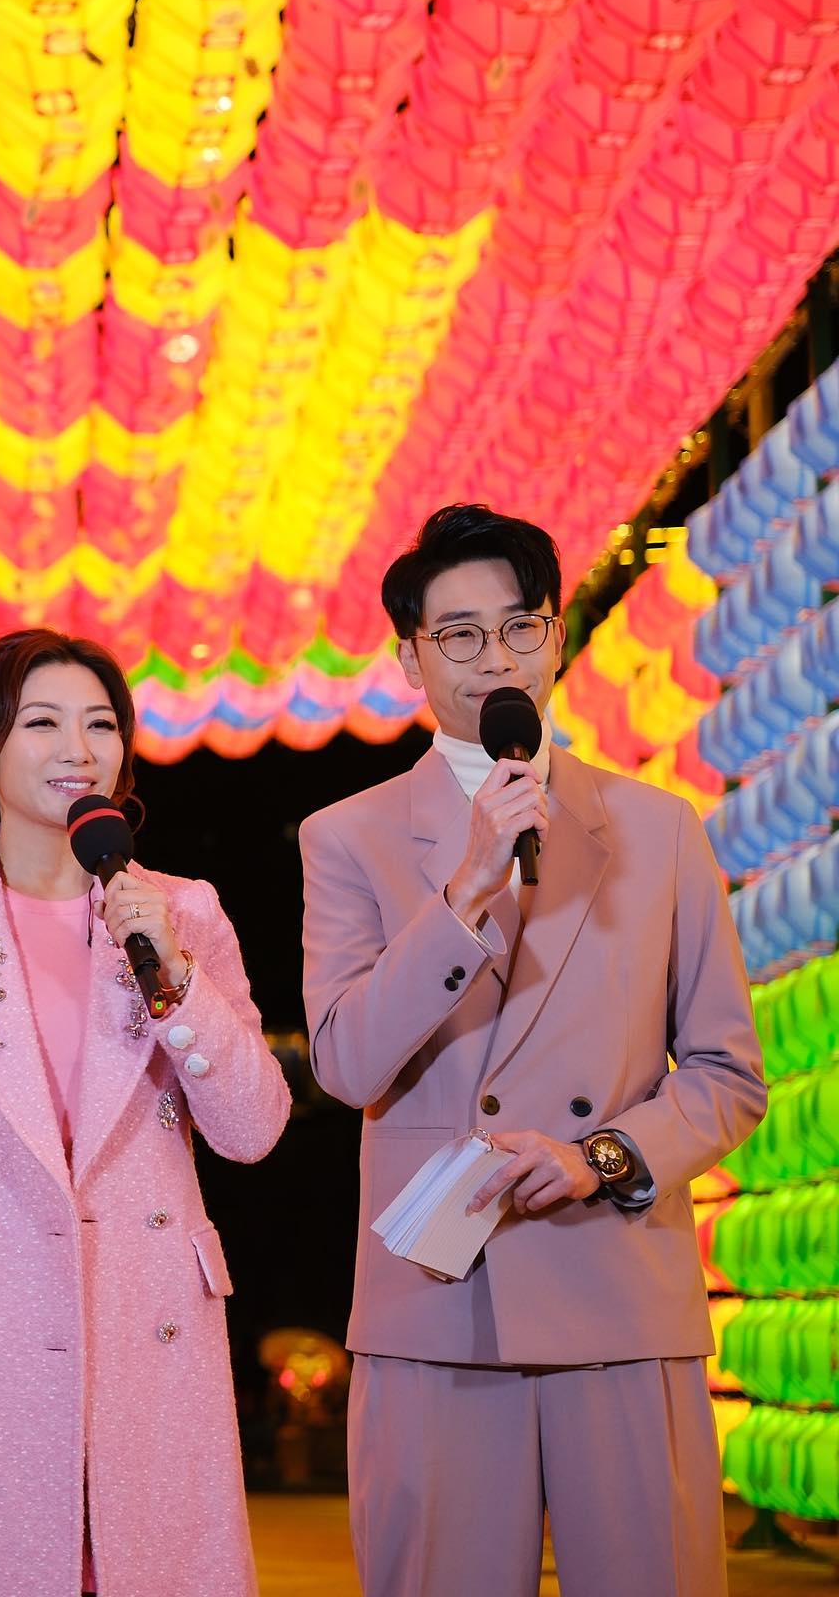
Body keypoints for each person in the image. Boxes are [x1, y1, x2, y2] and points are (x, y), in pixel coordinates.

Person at [299, 504, 766, 1597]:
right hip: (436, 1298)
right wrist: (464, 893)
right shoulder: (349, 837)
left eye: (519, 627)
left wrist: (600, 1158)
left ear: (555, 639)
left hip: (618, 1283)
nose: (495, 658)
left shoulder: (660, 828)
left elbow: (726, 1073)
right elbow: (347, 1065)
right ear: (410, 659)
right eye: (459, 635)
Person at [0, 627, 291, 1597]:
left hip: (145, 1332)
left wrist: (175, 977)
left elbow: (252, 1129)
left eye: (100, 725)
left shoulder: (182, 913)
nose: (78, 748)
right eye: (42, 723)